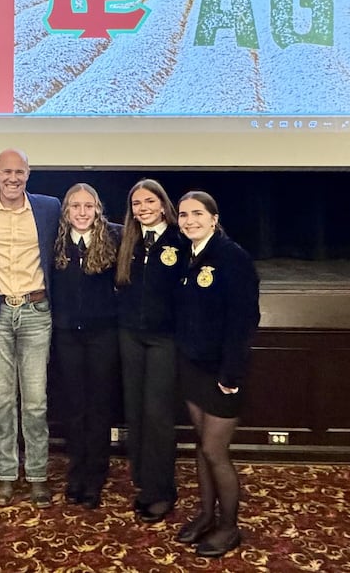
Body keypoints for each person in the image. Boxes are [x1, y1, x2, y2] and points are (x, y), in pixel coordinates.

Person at [0, 148, 61, 508]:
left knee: (35, 403)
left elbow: (88, 227)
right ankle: (6, 474)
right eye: (7, 171)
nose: (13, 178)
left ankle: (36, 475)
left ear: (29, 173)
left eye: (20, 171)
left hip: (37, 311)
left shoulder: (49, 207)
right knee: (2, 401)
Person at [173, 191, 260, 558]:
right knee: (201, 445)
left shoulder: (232, 257)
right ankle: (206, 515)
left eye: (197, 214)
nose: (189, 220)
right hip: (193, 367)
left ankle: (229, 527)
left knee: (214, 450)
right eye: (183, 215)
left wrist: (231, 373)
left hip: (223, 372)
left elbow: (244, 320)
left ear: (213, 218)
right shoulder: (187, 256)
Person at [115, 178, 185, 523]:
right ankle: (144, 479)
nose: (142, 208)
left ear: (162, 204)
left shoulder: (180, 239)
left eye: (148, 202)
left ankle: (162, 490)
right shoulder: (129, 241)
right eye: (136, 204)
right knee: (137, 411)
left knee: (158, 415)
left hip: (164, 339)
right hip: (130, 335)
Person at [51, 183, 122, 510]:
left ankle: (96, 473)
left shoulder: (116, 239)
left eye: (88, 206)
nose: (82, 212)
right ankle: (76, 470)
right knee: (74, 405)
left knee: (99, 406)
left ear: (98, 209)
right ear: (66, 211)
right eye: (75, 206)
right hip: (67, 335)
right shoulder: (55, 243)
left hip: (103, 335)